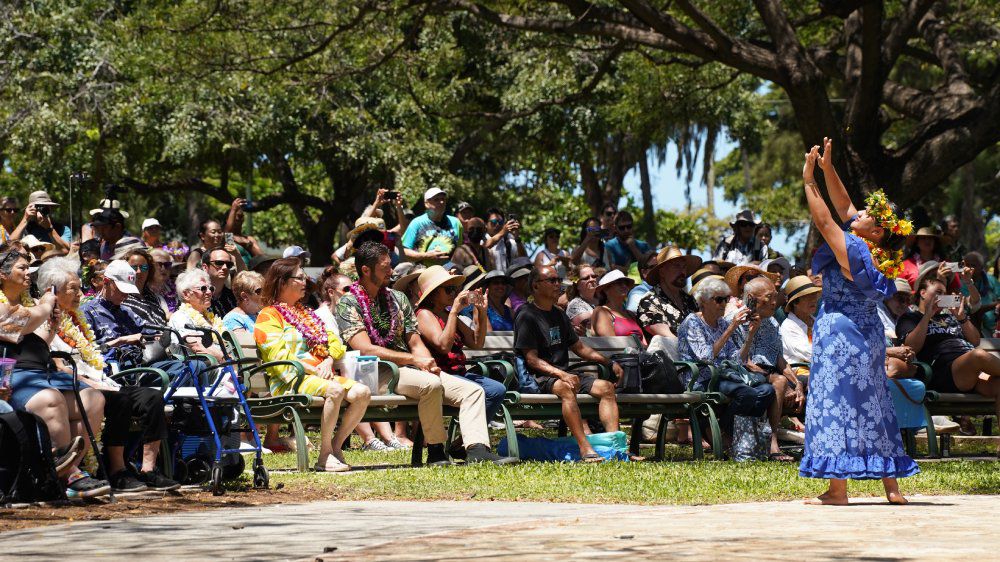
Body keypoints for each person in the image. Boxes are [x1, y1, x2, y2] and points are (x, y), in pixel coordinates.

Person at [799, 137, 918, 504]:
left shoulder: (853, 248)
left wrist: (809, 180)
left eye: (867, 215)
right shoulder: (877, 255)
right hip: (868, 335)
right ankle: (892, 488)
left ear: (876, 230)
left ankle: (837, 491)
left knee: (836, 404)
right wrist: (828, 168)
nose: (858, 214)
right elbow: (844, 205)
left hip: (841, 335)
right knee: (874, 404)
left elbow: (825, 220)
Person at [337, 242, 516, 465]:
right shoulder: (349, 302)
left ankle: (476, 450)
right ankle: (436, 451)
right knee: (430, 384)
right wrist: (415, 359)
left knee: (473, 391)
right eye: (385, 267)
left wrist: (427, 361)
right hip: (373, 371)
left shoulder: (397, 299)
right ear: (366, 270)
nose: (391, 271)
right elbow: (365, 348)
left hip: (408, 370)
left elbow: (414, 341)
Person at [39, 257, 179, 492]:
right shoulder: (49, 320)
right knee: (120, 399)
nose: (80, 294)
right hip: (78, 384)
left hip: (103, 378)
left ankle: (149, 470)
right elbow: (59, 366)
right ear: (52, 291)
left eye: (80, 288)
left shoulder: (77, 319)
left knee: (152, 397)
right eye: (73, 289)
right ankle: (117, 470)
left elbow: (94, 354)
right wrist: (95, 381)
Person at [0, 248, 110, 498]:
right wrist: (46, 306)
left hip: (41, 371)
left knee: (93, 399)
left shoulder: (29, 303)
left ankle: (66, 471)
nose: (28, 273)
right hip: (11, 375)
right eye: (22, 268)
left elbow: (38, 339)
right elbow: (19, 326)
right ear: (2, 274)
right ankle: (70, 476)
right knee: (52, 399)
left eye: (28, 268)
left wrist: (52, 323)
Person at [255, 258, 372, 472]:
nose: (305, 281)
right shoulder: (268, 316)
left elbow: (334, 342)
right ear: (282, 282)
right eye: (300, 277)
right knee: (335, 390)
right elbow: (277, 357)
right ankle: (324, 456)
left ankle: (335, 447)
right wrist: (313, 369)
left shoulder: (306, 313)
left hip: (320, 376)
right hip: (290, 380)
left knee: (362, 393)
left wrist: (328, 360)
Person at [514, 265, 625, 462]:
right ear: (536, 286)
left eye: (558, 280)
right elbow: (531, 359)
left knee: (606, 388)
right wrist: (561, 374)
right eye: (552, 280)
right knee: (567, 388)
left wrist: (609, 362)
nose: (558, 284)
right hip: (538, 378)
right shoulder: (526, 315)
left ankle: (617, 450)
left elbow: (579, 348)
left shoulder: (558, 314)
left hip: (564, 374)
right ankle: (585, 448)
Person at [415, 266, 507, 427]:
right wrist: (454, 311)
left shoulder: (448, 314)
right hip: (440, 376)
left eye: (454, 289)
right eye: (449, 289)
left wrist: (481, 312)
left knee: (497, 390)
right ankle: (472, 438)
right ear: (434, 293)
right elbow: (443, 346)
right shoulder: (424, 314)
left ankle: (465, 439)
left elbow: (477, 344)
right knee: (484, 391)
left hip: (459, 374)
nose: (454, 293)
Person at [896, 276, 1000, 416]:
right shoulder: (910, 318)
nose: (942, 297)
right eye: (938, 292)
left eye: (945, 294)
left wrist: (961, 318)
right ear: (923, 293)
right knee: (978, 355)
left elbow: (975, 341)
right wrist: (927, 316)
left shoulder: (951, 317)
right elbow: (911, 347)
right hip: (944, 372)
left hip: (970, 371)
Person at [82, 260, 191, 381]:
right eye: (122, 289)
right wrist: (120, 341)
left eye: (129, 291)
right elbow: (86, 353)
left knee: (195, 366)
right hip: (114, 372)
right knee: (185, 371)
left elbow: (151, 333)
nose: (126, 295)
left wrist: (168, 336)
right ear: (106, 282)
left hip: (140, 365)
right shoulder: (87, 312)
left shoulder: (126, 311)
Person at [735, 277, 803, 460]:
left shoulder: (772, 322)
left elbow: (779, 358)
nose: (774, 302)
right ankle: (773, 445)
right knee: (780, 382)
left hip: (769, 371)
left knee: (807, 381)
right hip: (744, 372)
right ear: (751, 298)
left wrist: (796, 383)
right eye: (769, 297)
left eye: (775, 296)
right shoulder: (738, 320)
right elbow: (743, 361)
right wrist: (777, 378)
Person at [637, 246, 702, 340]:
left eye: (684, 267)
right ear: (662, 272)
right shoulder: (649, 302)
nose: (682, 271)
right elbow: (669, 338)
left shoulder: (689, 299)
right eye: (676, 266)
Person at [401, 187, 462, 266]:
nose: (441, 202)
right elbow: (405, 251)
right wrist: (426, 256)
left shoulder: (455, 222)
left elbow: (459, 250)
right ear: (426, 203)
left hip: (450, 270)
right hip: (424, 271)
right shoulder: (417, 223)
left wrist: (454, 267)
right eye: (436, 199)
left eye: (443, 199)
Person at [779, 275, 822, 376]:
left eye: (814, 295)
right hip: (801, 371)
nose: (813, 300)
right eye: (807, 297)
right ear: (795, 302)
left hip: (818, 367)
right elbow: (809, 353)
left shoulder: (817, 321)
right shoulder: (789, 326)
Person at [591, 270, 646, 345]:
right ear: (606, 289)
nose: (624, 286)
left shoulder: (630, 314)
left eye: (625, 283)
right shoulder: (601, 312)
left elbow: (644, 342)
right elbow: (612, 344)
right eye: (619, 283)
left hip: (641, 351)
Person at [120, 248, 170, 329]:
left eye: (143, 267)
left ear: (149, 271)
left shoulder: (152, 296)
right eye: (134, 267)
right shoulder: (121, 297)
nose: (139, 271)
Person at [962, 251, 998, 336]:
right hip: (974, 327)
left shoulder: (991, 280)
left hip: (995, 324)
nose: (969, 268)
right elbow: (973, 307)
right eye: (967, 265)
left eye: (973, 265)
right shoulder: (962, 282)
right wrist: (994, 304)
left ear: (981, 267)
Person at [483, 207, 526, 272]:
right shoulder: (481, 239)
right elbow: (484, 247)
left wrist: (517, 238)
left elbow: (523, 259)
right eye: (494, 222)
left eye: (500, 222)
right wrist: (503, 232)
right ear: (486, 224)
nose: (497, 224)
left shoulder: (509, 241)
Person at [203, 248, 239, 317]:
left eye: (228, 264)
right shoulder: (195, 296)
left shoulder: (234, 297)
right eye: (219, 263)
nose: (225, 267)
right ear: (205, 267)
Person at [565, 264, 600, 335]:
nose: (592, 279)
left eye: (593, 276)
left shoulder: (604, 298)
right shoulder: (575, 305)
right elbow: (591, 329)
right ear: (577, 285)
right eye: (586, 278)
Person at [149, 248, 180, 312]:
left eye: (167, 264)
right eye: (158, 264)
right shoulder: (144, 290)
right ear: (150, 266)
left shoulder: (173, 286)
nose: (163, 268)